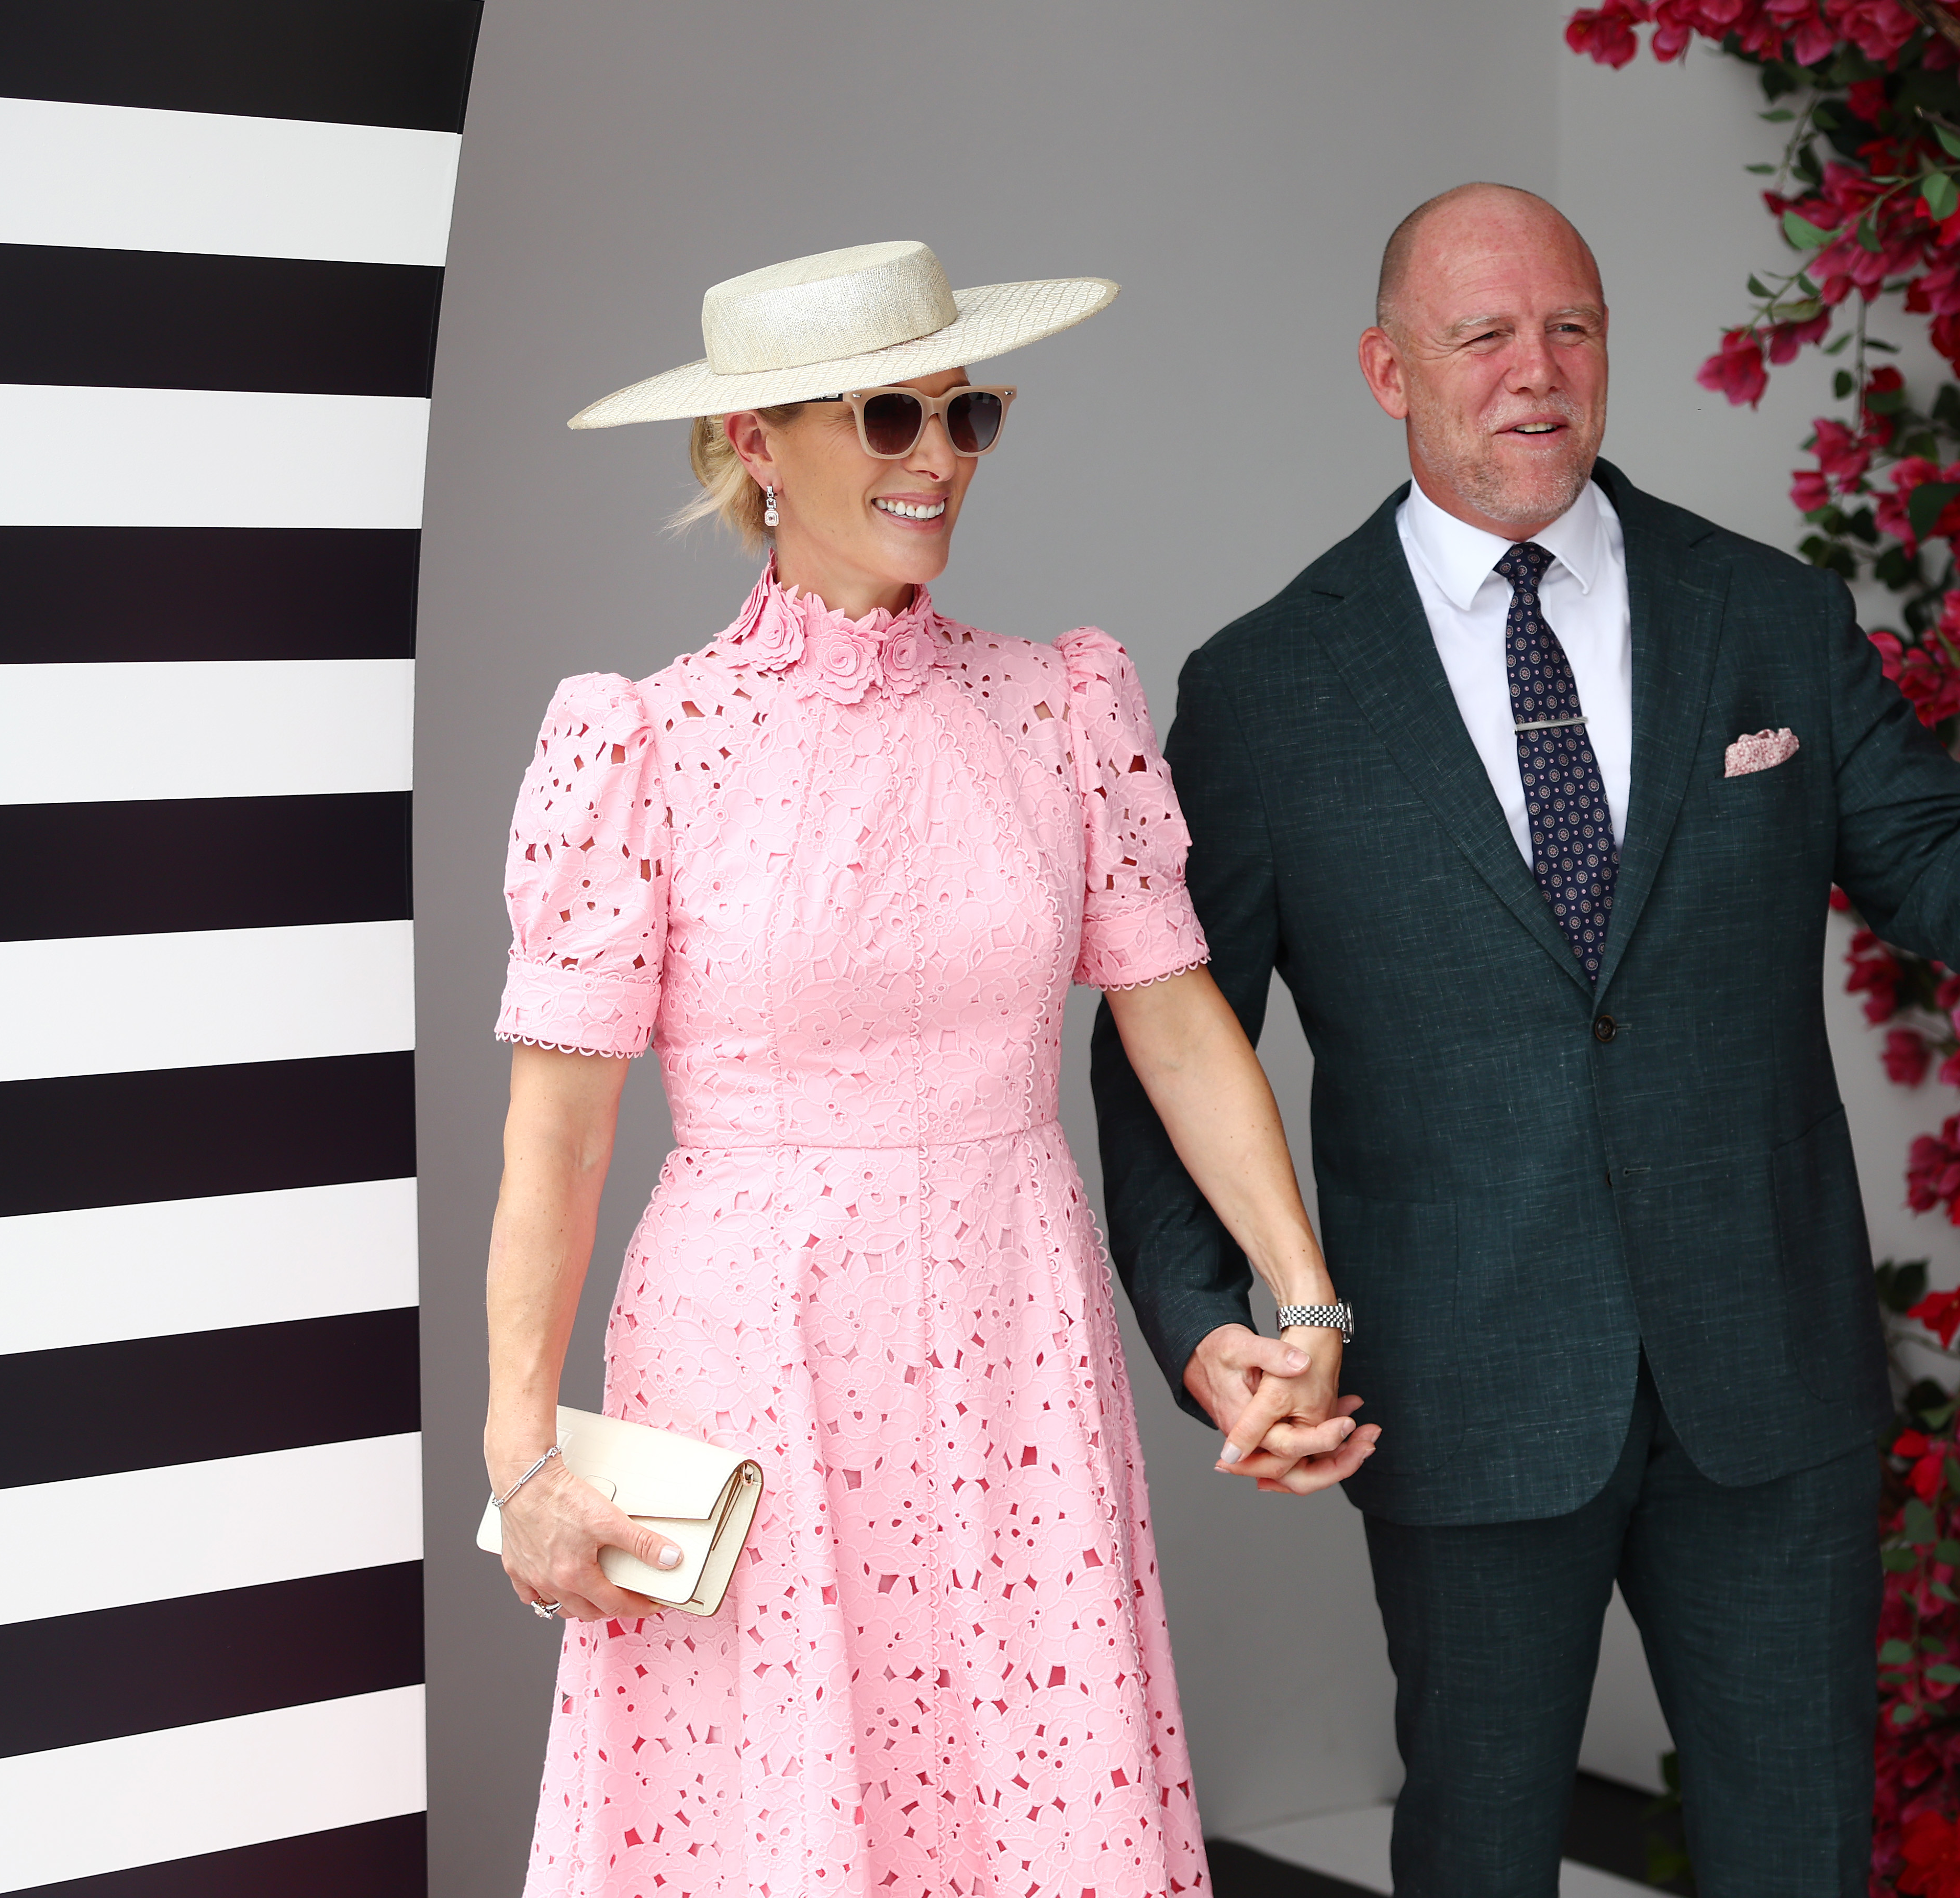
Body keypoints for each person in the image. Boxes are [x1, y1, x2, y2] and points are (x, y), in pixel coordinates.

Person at [1092, 185, 1960, 1897]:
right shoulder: (1267, 690)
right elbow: (1165, 1039)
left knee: (1800, 1854)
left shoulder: (1765, 615)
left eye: (1571, 327)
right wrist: (1204, 1326)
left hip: (1769, 1372)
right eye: (1483, 335)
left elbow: (1933, 853)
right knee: (1479, 1852)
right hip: (1464, 1388)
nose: (1536, 372)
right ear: (1387, 369)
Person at [480, 239, 1375, 1898]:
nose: (939, 457)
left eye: (969, 414)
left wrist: (1302, 1298)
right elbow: (560, 1139)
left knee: (1024, 1811)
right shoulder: (644, 744)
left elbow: (1178, 1023)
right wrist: (520, 1459)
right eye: (889, 414)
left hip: (1010, 1338)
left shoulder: (1058, 706)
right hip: (750, 1360)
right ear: (757, 441)